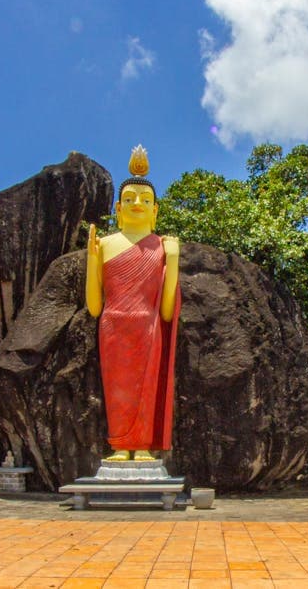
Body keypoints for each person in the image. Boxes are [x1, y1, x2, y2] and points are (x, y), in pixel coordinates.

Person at [85, 145, 181, 462]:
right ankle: (120, 445)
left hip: (148, 327)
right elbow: (94, 307)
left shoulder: (161, 246)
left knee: (145, 389)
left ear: (156, 210)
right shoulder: (104, 244)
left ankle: (141, 445)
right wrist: (91, 261)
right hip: (113, 326)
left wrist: (174, 260)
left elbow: (167, 311)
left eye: (144, 200)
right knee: (118, 391)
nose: (136, 204)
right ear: (117, 207)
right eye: (129, 199)